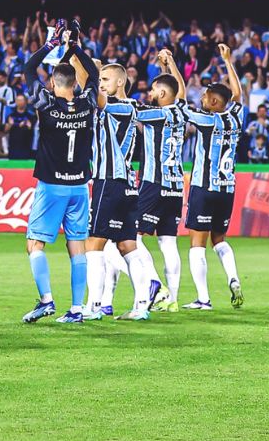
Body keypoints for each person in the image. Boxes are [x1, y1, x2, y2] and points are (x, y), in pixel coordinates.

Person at [21, 19, 102, 325]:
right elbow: (93, 73)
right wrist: (75, 46)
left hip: (51, 186)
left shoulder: (46, 105)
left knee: (34, 244)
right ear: (75, 84)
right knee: (77, 246)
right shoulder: (87, 104)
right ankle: (77, 308)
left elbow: (29, 69)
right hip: (80, 187)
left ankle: (46, 301)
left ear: (53, 84)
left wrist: (52, 44)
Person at [82, 61, 158, 321]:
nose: (101, 84)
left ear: (120, 83)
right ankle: (141, 306)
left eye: (106, 79)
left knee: (93, 244)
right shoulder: (129, 108)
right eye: (100, 79)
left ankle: (93, 306)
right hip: (127, 185)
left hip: (109, 182)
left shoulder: (123, 107)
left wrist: (91, 68)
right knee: (128, 246)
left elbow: (96, 95)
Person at [182, 44, 247, 310]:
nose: (203, 98)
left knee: (197, 244)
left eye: (207, 96)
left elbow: (178, 105)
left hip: (204, 187)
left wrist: (172, 70)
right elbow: (238, 95)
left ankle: (203, 299)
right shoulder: (237, 116)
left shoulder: (207, 120)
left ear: (216, 102)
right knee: (219, 240)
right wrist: (228, 62)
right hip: (227, 189)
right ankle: (233, 277)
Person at [134, 50, 189, 313]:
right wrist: (170, 65)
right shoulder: (181, 111)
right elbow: (181, 91)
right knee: (168, 242)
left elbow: (128, 111)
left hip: (153, 183)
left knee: (133, 237)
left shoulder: (156, 114)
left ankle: (156, 286)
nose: (150, 94)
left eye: (154, 90)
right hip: (176, 185)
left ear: (163, 95)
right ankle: (173, 299)